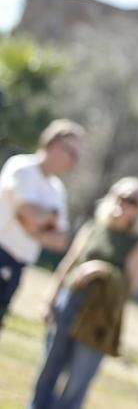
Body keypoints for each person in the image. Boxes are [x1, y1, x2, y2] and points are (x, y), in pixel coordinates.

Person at [30, 177, 138, 409]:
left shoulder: (137, 244)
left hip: (100, 318)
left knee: (78, 380)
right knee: (48, 368)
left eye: (132, 201)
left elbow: (132, 287)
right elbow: (68, 264)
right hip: (70, 302)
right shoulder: (92, 228)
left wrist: (102, 270)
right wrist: (49, 299)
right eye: (121, 197)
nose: (124, 203)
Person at [0, 119, 85, 332]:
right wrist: (47, 220)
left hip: (19, 265)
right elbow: (29, 213)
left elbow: (60, 240)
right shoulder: (22, 167)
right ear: (55, 145)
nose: (74, 162)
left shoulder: (57, 190)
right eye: (71, 153)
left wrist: (33, 226)